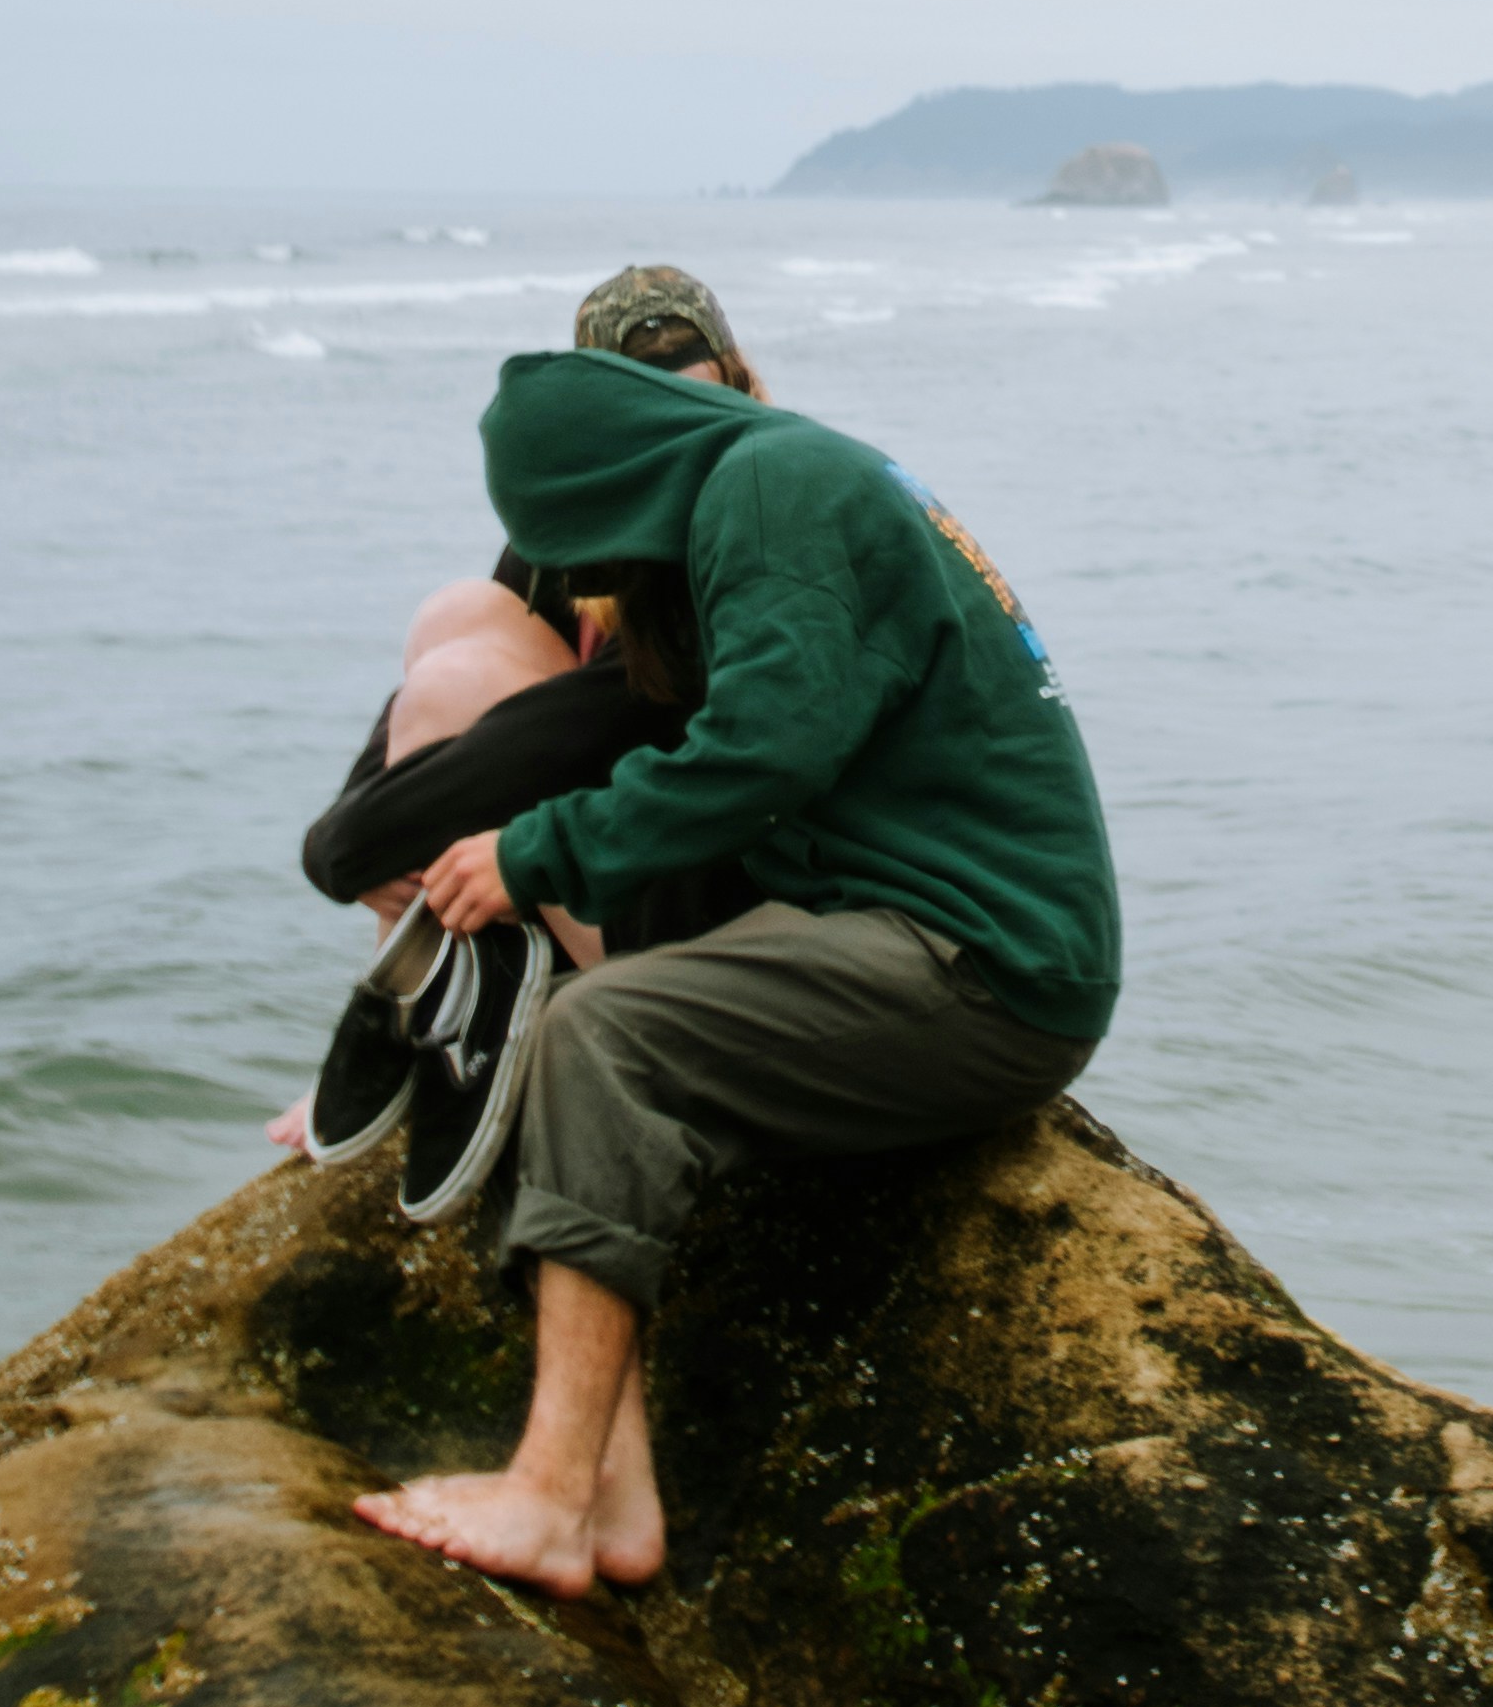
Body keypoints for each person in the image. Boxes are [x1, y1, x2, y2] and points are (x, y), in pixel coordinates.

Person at [350, 325, 1119, 1594]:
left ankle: (546, 1497)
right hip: (896, 914)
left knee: (603, 1038)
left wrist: (536, 851)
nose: (575, 570)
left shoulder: (771, 490)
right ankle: (610, 1484)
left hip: (983, 957)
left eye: (565, 533)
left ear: (602, 483)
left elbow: (768, 748)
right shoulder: (787, 472)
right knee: (576, 1012)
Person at [270, 265, 771, 1159]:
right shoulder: (585, 514)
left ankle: (419, 1043)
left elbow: (591, 721)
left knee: (461, 717)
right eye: (646, 408)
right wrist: (351, 835)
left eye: (697, 403)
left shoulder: (742, 509)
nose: (678, 435)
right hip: (594, 842)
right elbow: (436, 693)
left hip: (688, 878)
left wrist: (349, 846)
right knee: (458, 614)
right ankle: (401, 1021)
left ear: (737, 380)